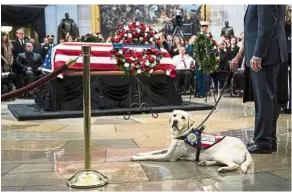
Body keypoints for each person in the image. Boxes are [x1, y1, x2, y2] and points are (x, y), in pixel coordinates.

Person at [242, 5, 288, 153]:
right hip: (271, 52)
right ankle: (269, 139)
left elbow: (266, 25)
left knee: (264, 99)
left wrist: (257, 54)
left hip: (265, 54)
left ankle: (263, 141)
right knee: (269, 98)